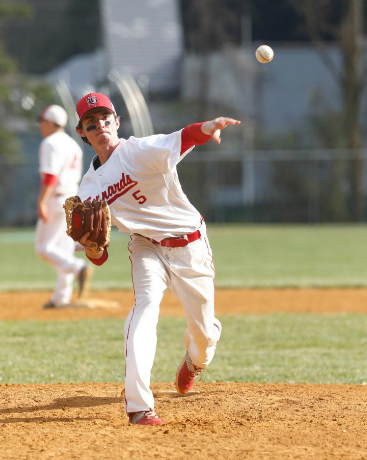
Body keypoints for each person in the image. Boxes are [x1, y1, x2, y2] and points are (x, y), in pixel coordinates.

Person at [74, 92, 241, 425]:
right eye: (91, 123)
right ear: (83, 132)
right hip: (145, 247)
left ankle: (195, 361)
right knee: (144, 308)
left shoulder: (139, 149)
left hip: (189, 244)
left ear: (117, 122)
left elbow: (182, 138)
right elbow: (99, 256)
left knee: (204, 335)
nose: (100, 126)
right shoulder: (88, 189)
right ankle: (139, 406)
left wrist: (208, 127)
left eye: (106, 119)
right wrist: (91, 246)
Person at [35, 104, 92, 309]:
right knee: (63, 249)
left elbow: (50, 176)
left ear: (50, 123)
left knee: (43, 248)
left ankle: (78, 268)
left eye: (42, 122)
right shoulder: (72, 144)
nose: (41, 126)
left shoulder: (50, 143)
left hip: (56, 198)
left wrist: (41, 201)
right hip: (72, 199)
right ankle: (61, 297)